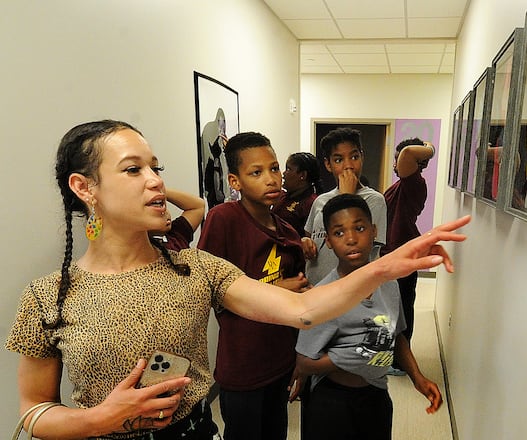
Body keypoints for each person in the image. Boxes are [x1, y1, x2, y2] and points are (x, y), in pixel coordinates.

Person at [4, 120, 470, 440]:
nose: (155, 182)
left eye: (156, 168)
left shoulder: (195, 268)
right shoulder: (49, 294)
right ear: (85, 188)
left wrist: (384, 266)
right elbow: (33, 410)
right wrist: (101, 418)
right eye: (133, 169)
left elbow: (303, 309)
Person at [289, 194, 443, 440]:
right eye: (339, 233)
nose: (351, 239)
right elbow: (304, 363)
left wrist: (418, 378)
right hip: (332, 402)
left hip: (376, 396)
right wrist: (352, 354)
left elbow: (396, 335)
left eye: (359, 228)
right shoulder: (324, 296)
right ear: (328, 241)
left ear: (374, 231)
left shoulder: (389, 284)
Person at [197, 132, 309, 440]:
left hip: (281, 359)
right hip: (243, 365)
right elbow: (207, 289)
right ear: (235, 181)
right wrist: (276, 291)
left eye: (274, 168)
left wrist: (300, 356)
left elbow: (298, 296)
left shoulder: (287, 231)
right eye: (256, 173)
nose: (271, 179)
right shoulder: (224, 219)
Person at [302, 127, 387, 286]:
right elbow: (309, 235)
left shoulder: (374, 200)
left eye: (354, 157)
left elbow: (366, 250)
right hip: (315, 286)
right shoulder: (320, 200)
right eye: (339, 160)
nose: (348, 166)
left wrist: (346, 195)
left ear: (362, 157)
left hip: (350, 289)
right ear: (328, 164)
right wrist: (305, 241)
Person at [382, 137, 435, 374]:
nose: (396, 162)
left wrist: (429, 149)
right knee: (392, 309)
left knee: (402, 310)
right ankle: (390, 356)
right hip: (393, 254)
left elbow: (407, 154)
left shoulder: (414, 183)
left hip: (403, 255)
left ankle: (399, 362)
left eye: (398, 158)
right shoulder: (402, 185)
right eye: (394, 158)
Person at [271, 152, 322, 237]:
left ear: (302, 175)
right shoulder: (282, 196)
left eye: (288, 169)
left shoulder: (312, 203)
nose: (283, 173)